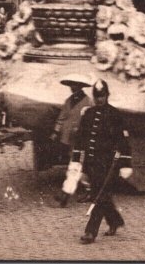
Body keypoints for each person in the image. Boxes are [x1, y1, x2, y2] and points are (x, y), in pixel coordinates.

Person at [70, 79, 132, 244]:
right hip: (91, 162)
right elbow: (80, 140)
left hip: (108, 164)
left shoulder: (115, 114)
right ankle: (115, 221)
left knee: (99, 195)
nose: (100, 100)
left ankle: (90, 232)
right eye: (97, 97)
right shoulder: (88, 114)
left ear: (107, 96)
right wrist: (77, 162)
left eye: (102, 96)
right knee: (102, 195)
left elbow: (123, 141)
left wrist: (125, 164)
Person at [52, 74, 94, 207]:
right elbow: (62, 117)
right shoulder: (68, 101)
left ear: (80, 87)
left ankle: (66, 193)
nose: (72, 87)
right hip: (68, 138)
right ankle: (85, 190)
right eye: (70, 85)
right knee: (76, 164)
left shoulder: (88, 102)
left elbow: (91, 121)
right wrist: (56, 131)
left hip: (82, 138)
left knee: (76, 165)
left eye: (74, 85)